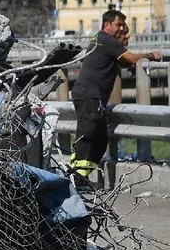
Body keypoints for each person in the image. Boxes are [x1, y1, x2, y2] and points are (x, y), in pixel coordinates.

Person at [69, 10, 161, 189]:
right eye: (118, 25)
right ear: (107, 25)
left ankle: (79, 175)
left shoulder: (101, 40)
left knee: (100, 138)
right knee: (89, 137)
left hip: (89, 96)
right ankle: (78, 179)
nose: (121, 30)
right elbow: (131, 58)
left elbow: (123, 61)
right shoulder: (107, 40)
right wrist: (152, 55)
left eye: (123, 27)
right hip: (90, 96)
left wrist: (130, 63)